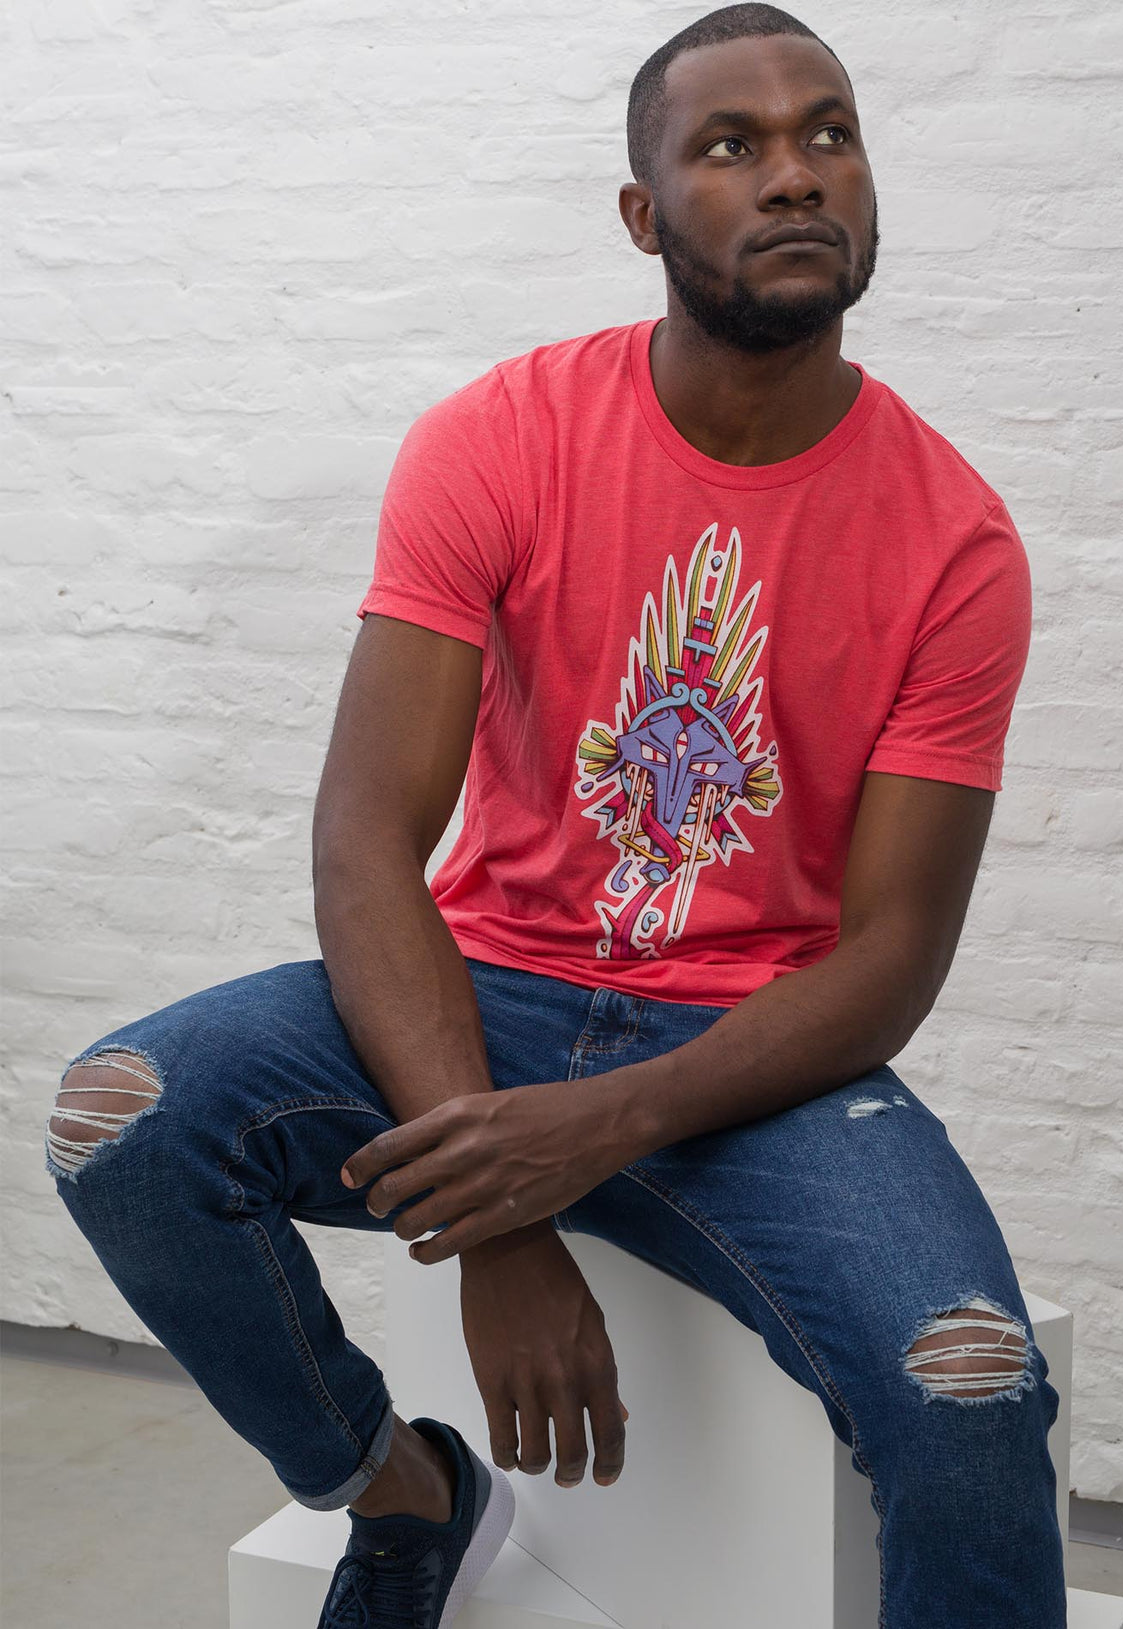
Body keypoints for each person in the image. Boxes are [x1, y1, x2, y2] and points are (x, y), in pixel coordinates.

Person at [44, 6, 1068, 1627]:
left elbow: (888, 959)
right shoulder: (501, 439)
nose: (795, 175)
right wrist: (495, 1224)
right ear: (644, 216)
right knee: (123, 1115)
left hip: (764, 1055)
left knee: (974, 1392)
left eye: (830, 132)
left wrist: (603, 1127)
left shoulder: (956, 544)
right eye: (731, 146)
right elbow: (367, 833)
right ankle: (405, 1494)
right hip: (494, 991)